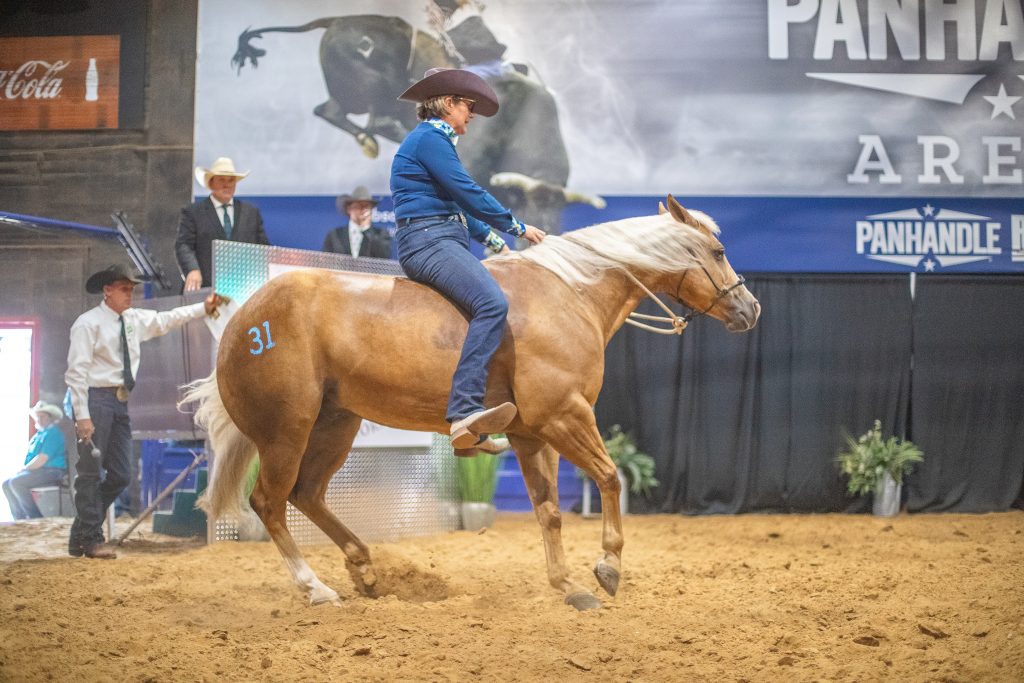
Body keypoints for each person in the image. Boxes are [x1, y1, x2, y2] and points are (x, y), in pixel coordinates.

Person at [391, 67, 546, 450]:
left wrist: (495, 242)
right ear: (448, 103)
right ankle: (463, 412)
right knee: (492, 303)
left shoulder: (433, 140)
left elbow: (456, 207)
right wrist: (516, 227)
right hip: (428, 240)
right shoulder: (430, 139)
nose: (471, 113)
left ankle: (473, 425)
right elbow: (466, 192)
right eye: (468, 105)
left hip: (440, 235)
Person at [65, 264, 228, 559]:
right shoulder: (87, 324)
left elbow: (168, 319)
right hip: (95, 399)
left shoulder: (133, 320)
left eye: (132, 289)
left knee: (121, 475)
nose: (131, 294)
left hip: (118, 401)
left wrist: (203, 308)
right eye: (125, 289)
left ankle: (82, 532)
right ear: (108, 291)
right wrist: (82, 415)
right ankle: (89, 538)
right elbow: (76, 373)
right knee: (89, 472)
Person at [175, 156, 270, 292]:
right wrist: (192, 270)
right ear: (211, 183)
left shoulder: (251, 213)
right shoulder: (193, 212)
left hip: (243, 291)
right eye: (222, 180)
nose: (227, 185)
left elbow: (263, 249)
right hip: (204, 291)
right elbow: (183, 245)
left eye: (231, 180)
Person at [2, 401, 67, 520]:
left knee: (17, 482)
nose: (39, 419)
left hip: (54, 471)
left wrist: (23, 469)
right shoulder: (39, 435)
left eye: (43, 416)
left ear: (50, 418)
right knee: (6, 484)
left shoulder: (53, 433)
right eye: (38, 416)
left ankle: (35, 517)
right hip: (41, 470)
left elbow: (42, 459)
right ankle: (19, 518)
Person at [322, 186, 393, 258]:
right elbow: (326, 262)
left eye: (367, 206)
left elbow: (384, 257)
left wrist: (367, 230)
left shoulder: (381, 234)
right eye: (359, 205)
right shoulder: (334, 235)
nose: (364, 209)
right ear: (349, 209)